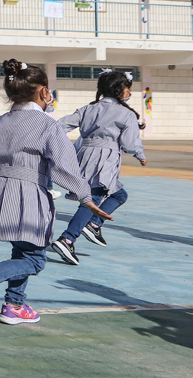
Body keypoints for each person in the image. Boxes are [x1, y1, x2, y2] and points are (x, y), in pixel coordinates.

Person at [0, 60, 109, 325]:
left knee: (23, 251)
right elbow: (64, 165)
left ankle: (14, 305)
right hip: (28, 196)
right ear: (43, 92)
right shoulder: (47, 125)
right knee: (36, 259)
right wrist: (85, 196)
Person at [48, 70, 147, 265]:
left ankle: (93, 223)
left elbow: (60, 125)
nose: (129, 94)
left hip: (84, 156)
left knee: (119, 194)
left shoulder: (88, 109)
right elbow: (129, 143)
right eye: (128, 90)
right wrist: (140, 154)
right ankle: (67, 239)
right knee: (93, 198)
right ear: (121, 91)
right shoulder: (125, 113)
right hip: (105, 160)